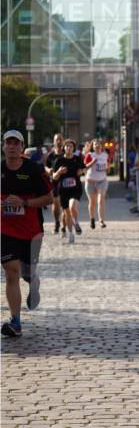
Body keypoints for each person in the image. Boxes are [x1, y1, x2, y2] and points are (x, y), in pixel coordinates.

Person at [1, 130, 53, 337]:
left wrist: (23, 202)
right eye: (8, 143)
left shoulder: (34, 169)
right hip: (5, 229)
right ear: (3, 146)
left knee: (26, 272)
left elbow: (49, 198)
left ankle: (34, 282)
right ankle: (15, 321)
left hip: (31, 231)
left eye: (16, 143)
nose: (12, 146)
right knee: (11, 271)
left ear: (22, 147)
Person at [52, 139, 85, 243]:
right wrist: (59, 172)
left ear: (73, 148)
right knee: (66, 212)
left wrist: (81, 171)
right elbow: (54, 177)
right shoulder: (59, 161)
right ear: (63, 148)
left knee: (72, 206)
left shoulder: (77, 159)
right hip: (63, 190)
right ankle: (71, 233)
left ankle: (76, 222)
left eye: (71, 146)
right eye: (66, 146)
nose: (69, 148)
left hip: (75, 188)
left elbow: (84, 169)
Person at [85, 139, 109, 229]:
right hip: (90, 181)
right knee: (92, 203)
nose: (97, 145)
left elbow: (108, 168)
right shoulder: (90, 155)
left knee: (101, 200)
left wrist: (107, 168)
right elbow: (84, 168)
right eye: (95, 144)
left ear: (101, 146)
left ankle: (101, 220)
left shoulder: (105, 155)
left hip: (102, 181)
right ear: (93, 146)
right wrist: (92, 163)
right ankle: (92, 218)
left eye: (99, 144)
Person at [45, 133, 65, 233]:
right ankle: (57, 222)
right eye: (56, 140)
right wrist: (48, 170)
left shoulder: (67, 153)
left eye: (60, 139)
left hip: (66, 182)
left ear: (63, 140)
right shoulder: (51, 155)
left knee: (65, 205)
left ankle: (64, 226)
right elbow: (46, 167)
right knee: (56, 204)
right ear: (54, 141)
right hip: (55, 182)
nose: (58, 141)